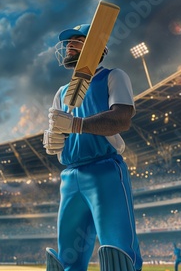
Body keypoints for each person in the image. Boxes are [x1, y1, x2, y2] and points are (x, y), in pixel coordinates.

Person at [43, 23, 143, 271]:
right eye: (68, 43)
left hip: (104, 170)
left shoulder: (113, 76)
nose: (68, 47)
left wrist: (77, 124)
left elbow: (122, 118)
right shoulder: (62, 93)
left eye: (76, 41)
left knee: (117, 252)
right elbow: (59, 134)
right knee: (68, 259)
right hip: (70, 177)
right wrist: (52, 141)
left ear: (94, 46)